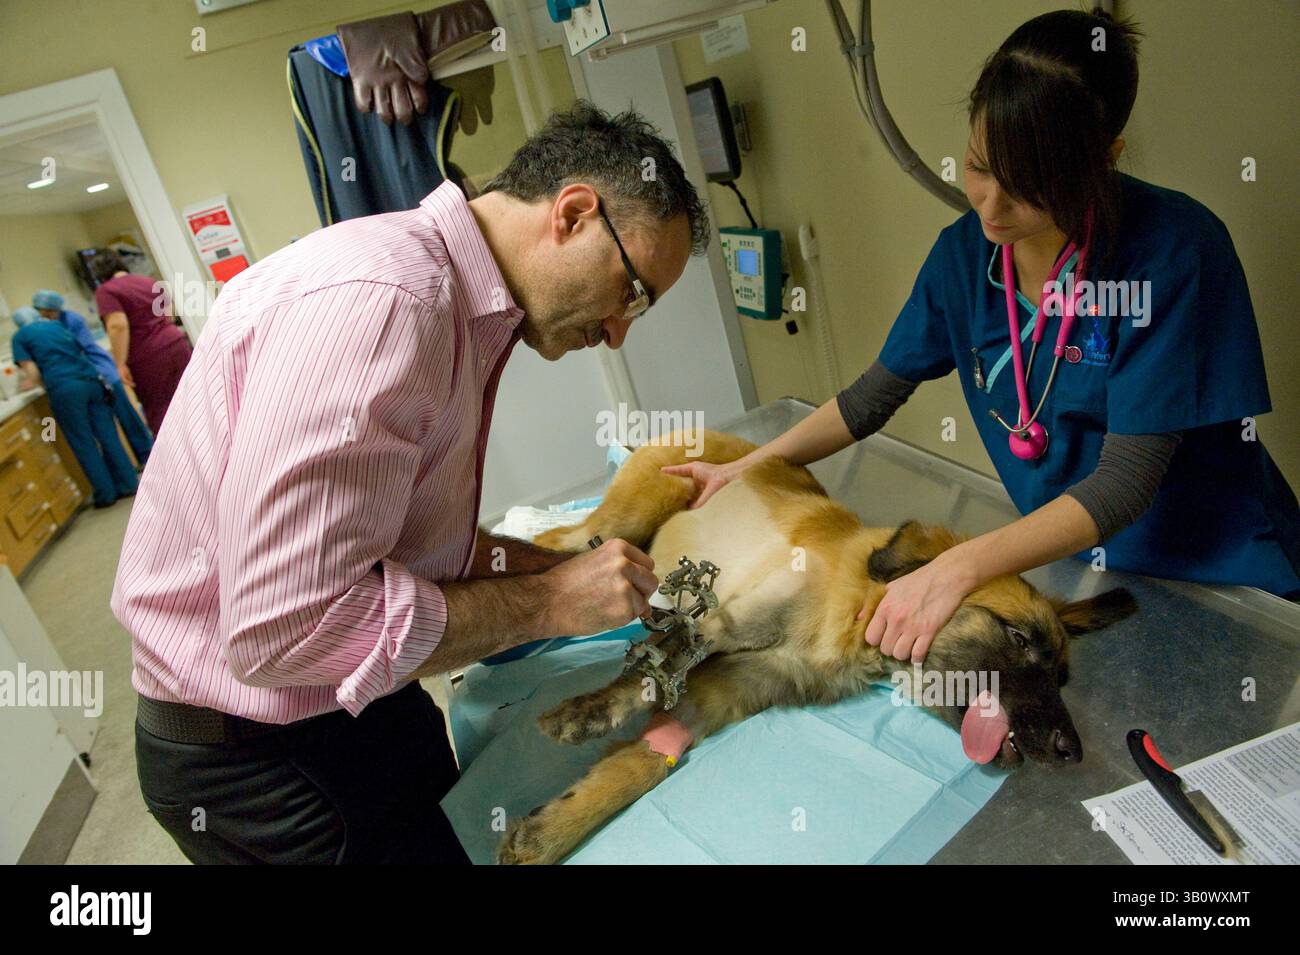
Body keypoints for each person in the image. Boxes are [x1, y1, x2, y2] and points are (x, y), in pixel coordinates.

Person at [115, 102, 708, 863]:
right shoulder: (387, 305)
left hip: (349, 708)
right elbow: (284, 627)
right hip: (262, 757)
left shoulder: (457, 306)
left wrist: (551, 565)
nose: (621, 328)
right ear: (574, 213)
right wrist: (553, 602)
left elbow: (383, 543)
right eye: (633, 292)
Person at [664, 7, 1300, 665]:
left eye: (1027, 189)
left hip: (1227, 582)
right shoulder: (963, 257)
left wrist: (961, 566)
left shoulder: (1175, 253)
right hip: (1092, 569)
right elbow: (872, 397)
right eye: (979, 166)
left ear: (1104, 160)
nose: (990, 206)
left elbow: (1124, 484)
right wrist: (750, 465)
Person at [10, 307, 139, 508]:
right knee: (107, 434)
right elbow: (80, 350)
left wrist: (31, 383)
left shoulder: (20, 337)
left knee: (83, 442)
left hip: (65, 390)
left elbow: (32, 371)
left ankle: (106, 494)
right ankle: (129, 484)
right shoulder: (58, 325)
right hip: (92, 381)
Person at [31, 289, 153, 466]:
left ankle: (147, 453)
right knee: (106, 427)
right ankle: (129, 463)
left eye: (46, 312)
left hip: (101, 370)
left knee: (125, 414)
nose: (44, 315)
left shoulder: (71, 320)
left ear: (53, 310)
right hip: (85, 377)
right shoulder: (48, 325)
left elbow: (77, 348)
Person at [88, 250, 193, 433]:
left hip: (149, 356)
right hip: (177, 343)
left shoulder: (106, 290)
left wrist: (119, 364)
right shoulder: (149, 281)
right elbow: (169, 313)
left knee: (162, 409)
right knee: (194, 395)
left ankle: (178, 459)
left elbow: (117, 326)